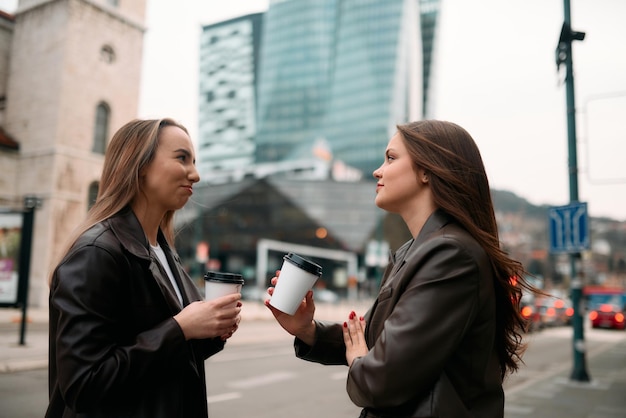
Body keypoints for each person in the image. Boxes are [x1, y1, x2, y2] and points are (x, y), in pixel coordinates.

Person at [266, 120, 536, 417]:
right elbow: (375, 339)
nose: (377, 171)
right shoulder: (417, 250)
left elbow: (378, 380)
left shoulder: (450, 254)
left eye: (391, 158)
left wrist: (359, 360)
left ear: (426, 171)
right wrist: (308, 330)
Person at [46, 118, 242, 418]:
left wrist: (210, 331)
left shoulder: (164, 251)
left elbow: (169, 357)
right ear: (140, 166)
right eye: (182, 158)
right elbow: (82, 385)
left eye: (194, 161)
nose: (196, 174)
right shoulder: (96, 253)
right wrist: (180, 328)